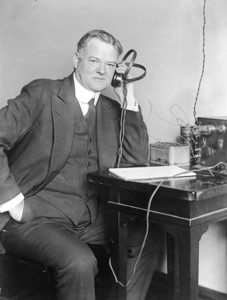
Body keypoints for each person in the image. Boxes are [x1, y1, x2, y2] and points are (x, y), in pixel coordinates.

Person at [0, 29, 162, 300]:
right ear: (76, 60)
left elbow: (135, 161)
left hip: (90, 219)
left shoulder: (111, 109)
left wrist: (128, 96)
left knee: (148, 235)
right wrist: (12, 201)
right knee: (80, 261)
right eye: (94, 61)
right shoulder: (43, 94)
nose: (102, 71)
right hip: (35, 218)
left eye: (110, 65)